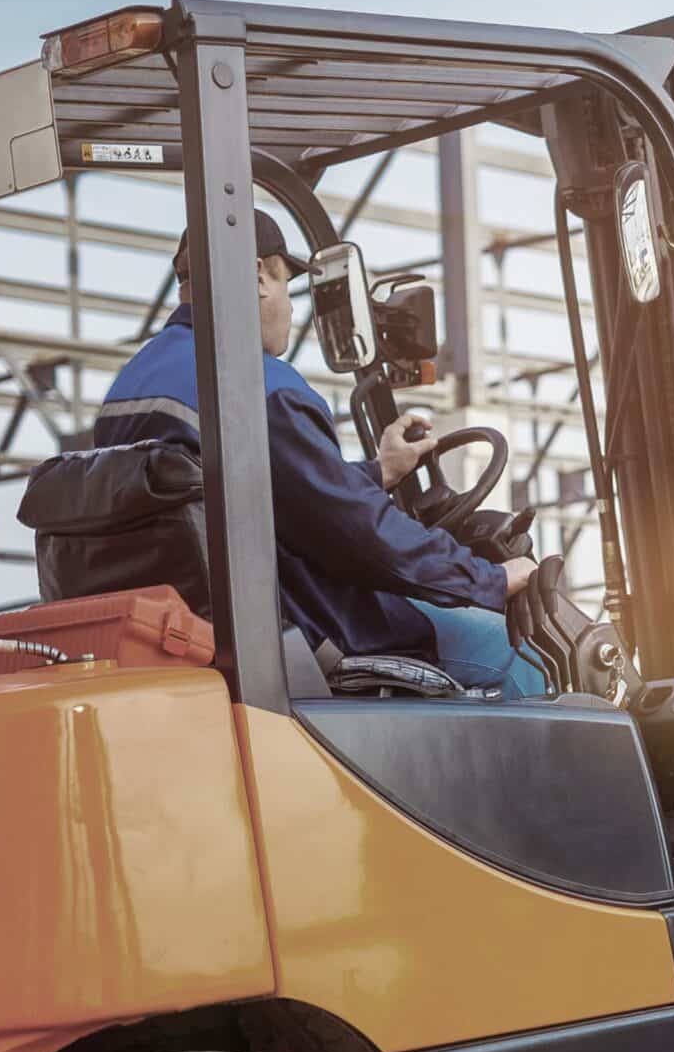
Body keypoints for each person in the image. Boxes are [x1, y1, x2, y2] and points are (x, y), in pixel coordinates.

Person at [94, 211, 546, 697]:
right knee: (516, 654)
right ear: (257, 275)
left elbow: (257, 494)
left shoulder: (131, 385)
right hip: (307, 629)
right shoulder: (259, 385)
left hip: (198, 635)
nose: (291, 308)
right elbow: (362, 536)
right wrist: (488, 579)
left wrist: (378, 472)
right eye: (289, 286)